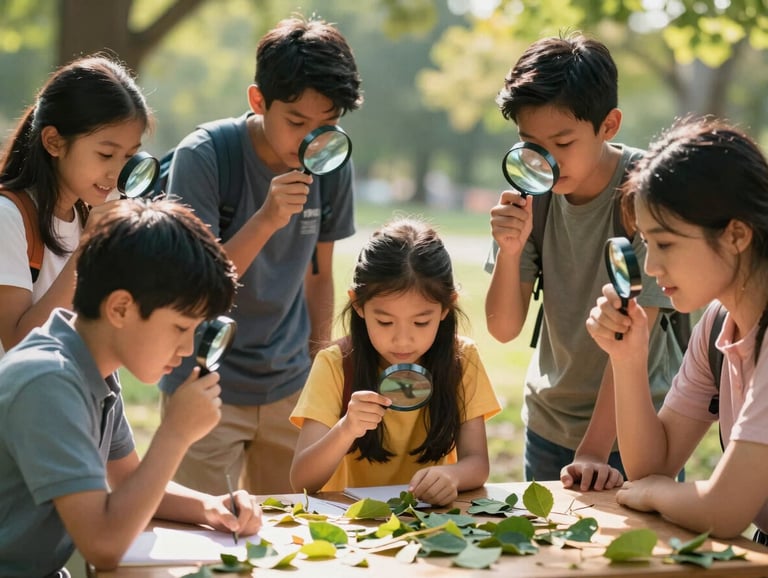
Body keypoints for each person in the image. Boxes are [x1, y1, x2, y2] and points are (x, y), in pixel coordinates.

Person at [0, 198, 263, 576]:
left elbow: (128, 484)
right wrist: (175, 433)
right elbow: (104, 544)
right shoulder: (48, 380)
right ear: (120, 309)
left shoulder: (93, 368)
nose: (188, 349)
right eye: (179, 327)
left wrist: (209, 507)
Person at [158, 13, 363, 496]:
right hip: (203, 382)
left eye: (327, 124)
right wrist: (267, 218)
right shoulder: (204, 156)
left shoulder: (331, 164)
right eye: (296, 121)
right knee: (199, 545)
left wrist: (320, 371)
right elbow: (196, 290)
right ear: (257, 100)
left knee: (296, 532)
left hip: (289, 385)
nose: (311, 140)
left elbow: (319, 275)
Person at [483, 33, 682, 490]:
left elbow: (637, 332)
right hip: (549, 423)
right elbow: (503, 328)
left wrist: (594, 448)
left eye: (563, 142)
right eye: (531, 144)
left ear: (608, 125)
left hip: (637, 425)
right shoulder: (533, 194)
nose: (544, 162)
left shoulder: (647, 192)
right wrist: (511, 252)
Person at [586, 115, 768, 541]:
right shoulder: (718, 325)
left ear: (736, 234)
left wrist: (655, 492)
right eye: (646, 243)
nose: (650, 266)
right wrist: (628, 359)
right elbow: (653, 465)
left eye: (665, 243)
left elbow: (723, 510)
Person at [289, 217, 502, 506]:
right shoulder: (335, 364)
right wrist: (347, 428)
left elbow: (477, 463)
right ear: (358, 304)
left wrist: (452, 476)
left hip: (431, 520)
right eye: (385, 321)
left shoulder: (462, 360)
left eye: (421, 321)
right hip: (353, 524)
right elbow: (302, 480)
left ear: (446, 307)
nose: (403, 341)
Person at [0, 53, 152, 358]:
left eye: (129, 156)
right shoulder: (8, 218)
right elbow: (18, 343)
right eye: (106, 155)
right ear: (54, 142)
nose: (116, 173)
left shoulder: (92, 213)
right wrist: (87, 248)